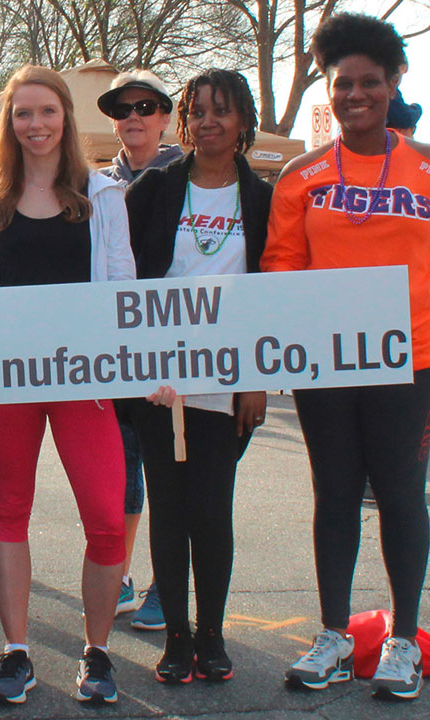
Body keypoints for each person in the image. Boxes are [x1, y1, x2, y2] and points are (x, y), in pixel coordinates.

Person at [261, 13, 430, 702]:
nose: (355, 94)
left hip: (411, 364)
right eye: (341, 85)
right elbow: (280, 268)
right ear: (326, 93)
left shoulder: (425, 170)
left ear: (392, 84)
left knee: (400, 495)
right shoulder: (302, 176)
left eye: (369, 82)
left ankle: (402, 641)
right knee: (333, 493)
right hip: (326, 365)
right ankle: (333, 634)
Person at [0, 64, 135, 705]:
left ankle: (97, 652)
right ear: (10, 124)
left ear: (66, 117)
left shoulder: (104, 195)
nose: (35, 125)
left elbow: (122, 286)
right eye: (23, 114)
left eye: (47, 112)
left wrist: (147, 366)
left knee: (105, 519)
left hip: (84, 381)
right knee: (7, 513)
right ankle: (17, 653)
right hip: (13, 382)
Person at [125, 68, 271, 684]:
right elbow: (121, 284)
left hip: (230, 386)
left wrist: (258, 378)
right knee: (169, 510)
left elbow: (274, 296)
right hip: (157, 384)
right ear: (183, 120)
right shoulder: (153, 192)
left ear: (243, 122)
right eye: (197, 110)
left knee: (212, 510)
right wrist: (134, 365)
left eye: (222, 110)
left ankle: (212, 635)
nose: (208, 121)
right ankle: (176, 640)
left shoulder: (266, 200)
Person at [96, 69, 183, 630]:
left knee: (176, 475)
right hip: (116, 347)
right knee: (122, 470)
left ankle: (167, 585)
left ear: (166, 116)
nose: (134, 117)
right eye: (123, 109)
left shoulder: (190, 176)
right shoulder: (96, 183)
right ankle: (122, 575)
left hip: (179, 343)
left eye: (146, 107)